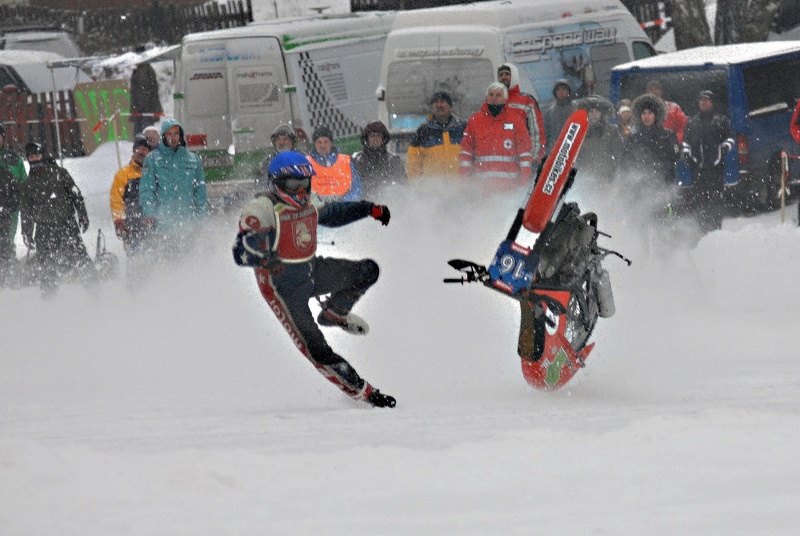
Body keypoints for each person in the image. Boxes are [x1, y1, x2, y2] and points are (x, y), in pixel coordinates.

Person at [233, 151, 396, 408]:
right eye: (292, 185)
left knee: (368, 271)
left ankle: (334, 313)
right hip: (283, 288)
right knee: (317, 350)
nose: (300, 191)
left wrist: (368, 209)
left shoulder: (309, 200)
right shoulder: (262, 208)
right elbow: (241, 251)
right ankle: (364, 393)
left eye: (304, 184)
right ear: (276, 183)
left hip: (309, 270)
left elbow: (333, 214)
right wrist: (264, 257)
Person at [19, 143, 94, 297]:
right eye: (31, 157)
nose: (35, 159)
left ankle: (94, 292)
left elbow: (75, 194)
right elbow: (25, 212)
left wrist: (83, 214)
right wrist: (26, 233)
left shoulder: (59, 173)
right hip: (44, 229)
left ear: (42, 155)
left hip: (66, 224)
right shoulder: (27, 185)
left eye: (37, 155)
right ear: (28, 159)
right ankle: (49, 301)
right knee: (46, 267)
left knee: (81, 258)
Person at [139, 118, 209, 249]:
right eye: (169, 134)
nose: (173, 137)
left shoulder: (193, 160)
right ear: (163, 136)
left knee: (188, 263)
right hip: (164, 225)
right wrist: (149, 212)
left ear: (181, 135)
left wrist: (202, 215)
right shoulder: (153, 159)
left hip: (188, 223)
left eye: (176, 133)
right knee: (168, 263)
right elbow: (147, 189)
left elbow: (200, 191)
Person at [459, 82, 534, 188]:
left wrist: (524, 183)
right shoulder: (474, 121)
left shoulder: (516, 121)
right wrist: (465, 181)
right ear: (486, 97)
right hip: (481, 189)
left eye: (498, 95)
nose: (494, 98)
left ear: (505, 99)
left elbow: (525, 155)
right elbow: (466, 153)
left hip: (509, 189)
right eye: (491, 94)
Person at [681, 90, 734, 231]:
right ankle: (702, 228)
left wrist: (723, 150)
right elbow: (685, 142)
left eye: (707, 100)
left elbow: (730, 139)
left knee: (715, 199)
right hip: (697, 170)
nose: (704, 103)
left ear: (712, 102)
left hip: (716, 168)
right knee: (699, 201)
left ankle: (716, 228)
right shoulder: (692, 122)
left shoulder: (721, 120)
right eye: (701, 100)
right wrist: (687, 156)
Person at [620, 93, 680, 186]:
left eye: (650, 113)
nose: (646, 116)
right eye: (643, 113)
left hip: (663, 184)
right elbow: (625, 161)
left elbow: (674, 158)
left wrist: (657, 161)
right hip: (639, 186)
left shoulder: (668, 135)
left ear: (656, 115)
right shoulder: (633, 138)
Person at [406, 91, 467, 180]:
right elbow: (413, 161)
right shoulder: (423, 131)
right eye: (435, 102)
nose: (439, 105)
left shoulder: (463, 128)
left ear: (450, 107)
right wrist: (415, 184)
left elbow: (472, 154)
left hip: (459, 187)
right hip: (432, 189)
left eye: (442, 102)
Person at [497, 63, 546, 165]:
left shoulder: (526, 100)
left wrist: (535, 156)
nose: (504, 77)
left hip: (523, 157)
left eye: (507, 74)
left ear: (514, 76)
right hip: (501, 160)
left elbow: (536, 131)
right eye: (501, 75)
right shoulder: (494, 101)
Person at [109, 135, 150, 256]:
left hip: (153, 225)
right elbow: (116, 199)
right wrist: (119, 220)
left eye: (145, 149)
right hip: (133, 228)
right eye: (139, 149)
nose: (141, 152)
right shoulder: (123, 174)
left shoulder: (155, 172)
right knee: (135, 259)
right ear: (134, 151)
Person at [574, 95, 624, 181]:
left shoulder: (612, 131)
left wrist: (612, 173)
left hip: (606, 177)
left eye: (597, 111)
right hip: (585, 178)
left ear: (602, 113)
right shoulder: (580, 132)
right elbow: (577, 158)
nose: (594, 114)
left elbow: (618, 154)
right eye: (591, 111)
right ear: (587, 113)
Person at [351, 121, 406, 198]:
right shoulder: (356, 161)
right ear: (367, 138)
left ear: (383, 138)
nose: (375, 139)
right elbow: (351, 187)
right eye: (372, 135)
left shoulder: (393, 161)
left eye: (378, 135)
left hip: (388, 205)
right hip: (363, 205)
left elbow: (402, 186)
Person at [306, 126, 362, 201]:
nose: (322, 145)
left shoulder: (346, 161)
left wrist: (343, 202)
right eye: (319, 142)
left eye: (326, 141)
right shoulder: (306, 163)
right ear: (314, 144)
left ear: (331, 143)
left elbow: (356, 189)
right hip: (316, 210)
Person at [0, 123, 27, 259]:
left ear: (3, 138)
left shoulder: (13, 158)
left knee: (7, 243)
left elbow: (24, 183)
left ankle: (10, 274)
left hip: (11, 209)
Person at [255, 124, 300, 192]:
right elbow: (261, 185)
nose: (282, 142)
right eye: (278, 139)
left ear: (292, 141)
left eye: (285, 139)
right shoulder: (267, 162)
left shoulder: (303, 158)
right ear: (274, 142)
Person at [129, 61, 163, 136]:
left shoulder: (142, 72)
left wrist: (141, 111)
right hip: (145, 111)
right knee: (146, 134)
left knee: (143, 135)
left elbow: (143, 93)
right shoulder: (146, 70)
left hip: (143, 111)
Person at [543, 79, 577, 154]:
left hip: (575, 149)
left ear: (569, 91)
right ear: (555, 92)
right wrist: (548, 150)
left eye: (564, 89)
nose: (561, 92)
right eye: (558, 90)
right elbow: (545, 133)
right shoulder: (550, 112)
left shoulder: (576, 108)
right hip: (555, 151)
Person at [0, 164, 19, 287]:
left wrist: (7, 208)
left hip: (2, 223)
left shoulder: (6, 174)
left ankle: (6, 280)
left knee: (4, 251)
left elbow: (17, 195)